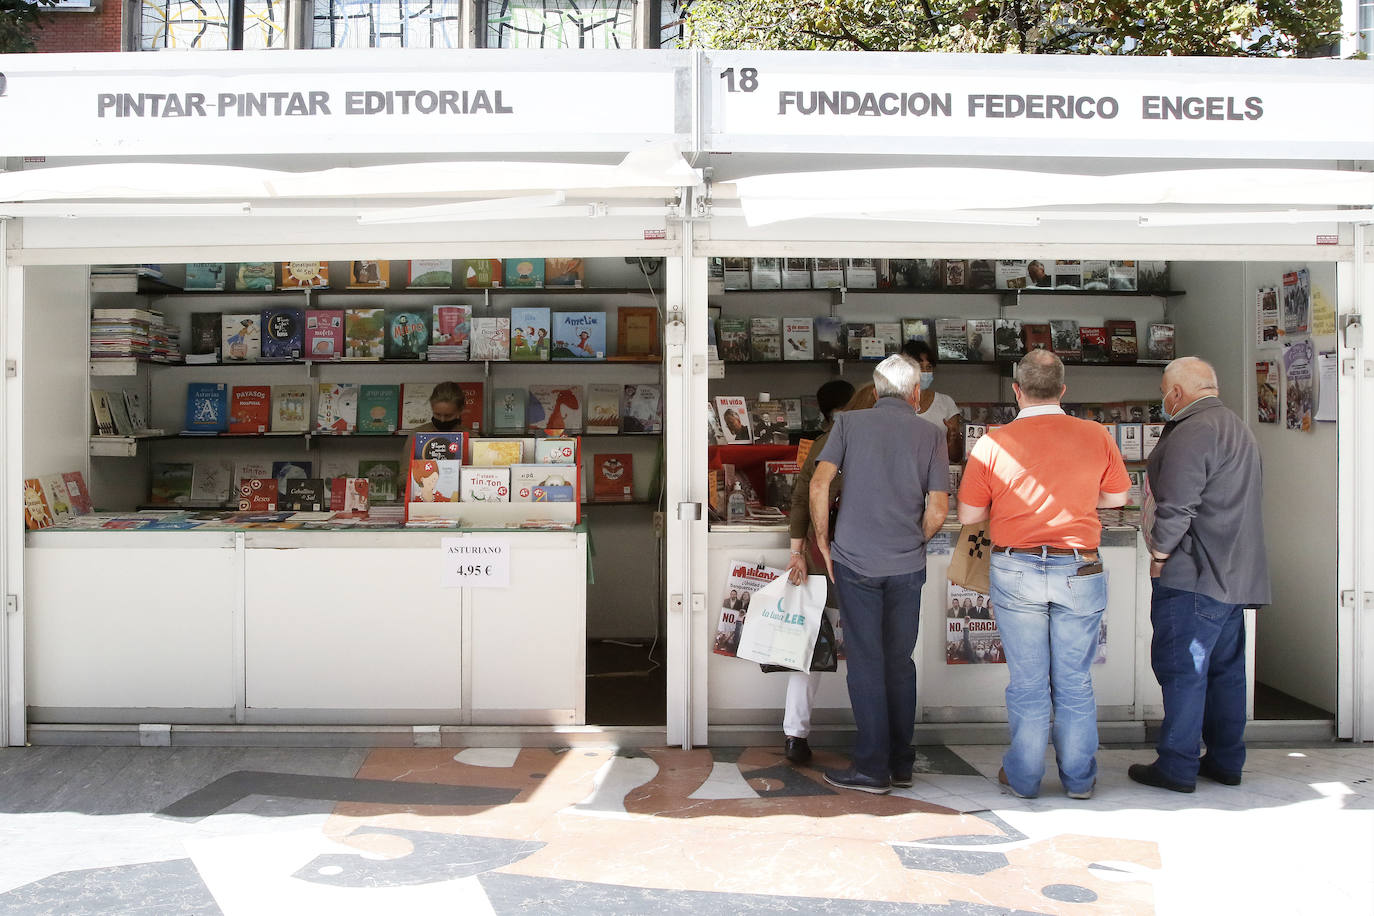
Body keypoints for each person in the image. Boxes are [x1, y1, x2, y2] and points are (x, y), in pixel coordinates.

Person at [958, 349, 1130, 800]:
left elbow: (971, 513)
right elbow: (1116, 499)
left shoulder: (992, 442)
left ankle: (1025, 778)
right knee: (1074, 678)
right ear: (1063, 390)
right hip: (1080, 565)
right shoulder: (1095, 434)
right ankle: (1078, 779)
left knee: (1029, 681)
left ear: (1017, 390)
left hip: (1016, 567)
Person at [1129, 357, 1270, 793]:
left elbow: (1177, 506)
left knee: (1181, 668)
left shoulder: (1192, 432)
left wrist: (1159, 551)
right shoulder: (1235, 426)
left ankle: (1176, 764)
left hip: (1194, 572)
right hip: (1233, 573)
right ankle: (1226, 760)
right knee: (1225, 672)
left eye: (1163, 392)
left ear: (1176, 394)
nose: (1162, 400)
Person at [810, 354, 949, 794]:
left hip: (854, 560)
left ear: (874, 388)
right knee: (898, 662)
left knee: (867, 664)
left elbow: (818, 484)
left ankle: (872, 767)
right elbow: (939, 509)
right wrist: (914, 542)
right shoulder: (932, 433)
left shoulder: (849, 425)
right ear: (916, 393)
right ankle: (901, 762)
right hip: (906, 564)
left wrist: (823, 542)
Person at [779, 379, 859, 764]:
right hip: (864, 557)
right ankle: (875, 732)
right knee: (869, 645)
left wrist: (797, 552)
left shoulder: (823, 444)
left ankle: (796, 734)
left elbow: (800, 496)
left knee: (809, 646)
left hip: (819, 555)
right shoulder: (861, 439)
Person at [901, 340, 963, 462]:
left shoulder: (946, 403)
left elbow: (956, 457)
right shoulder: (895, 403)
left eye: (928, 367)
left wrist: (953, 439)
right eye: (919, 367)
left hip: (937, 473)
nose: (925, 373)